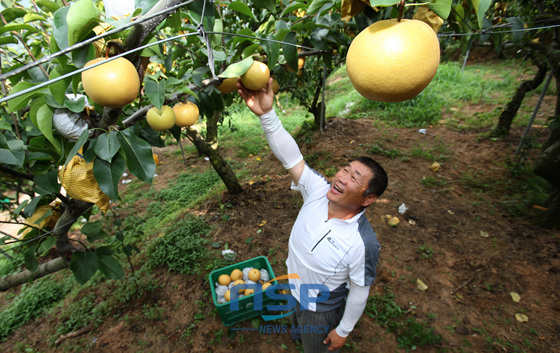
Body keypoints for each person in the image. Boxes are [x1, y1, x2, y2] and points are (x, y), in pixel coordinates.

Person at [237, 78, 388, 353]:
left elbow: (359, 291)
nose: (341, 177)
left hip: (320, 309)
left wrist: (343, 331)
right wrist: (267, 116)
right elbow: (292, 159)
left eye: (354, 177)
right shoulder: (319, 190)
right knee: (297, 326)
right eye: (345, 168)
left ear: (369, 199)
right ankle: (298, 333)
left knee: (314, 346)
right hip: (294, 288)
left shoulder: (361, 243)